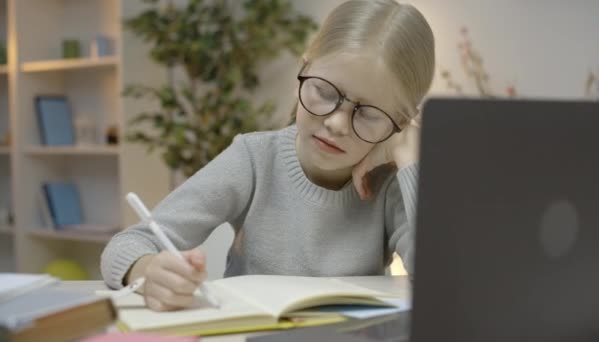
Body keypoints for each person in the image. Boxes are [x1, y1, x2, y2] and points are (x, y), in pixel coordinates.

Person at [101, 0, 435, 312]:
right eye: (324, 92)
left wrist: (410, 157)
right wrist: (145, 271)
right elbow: (127, 245)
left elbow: (441, 280)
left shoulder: (391, 183)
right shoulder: (254, 158)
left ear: (400, 123)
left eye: (369, 114)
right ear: (302, 72)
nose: (336, 123)